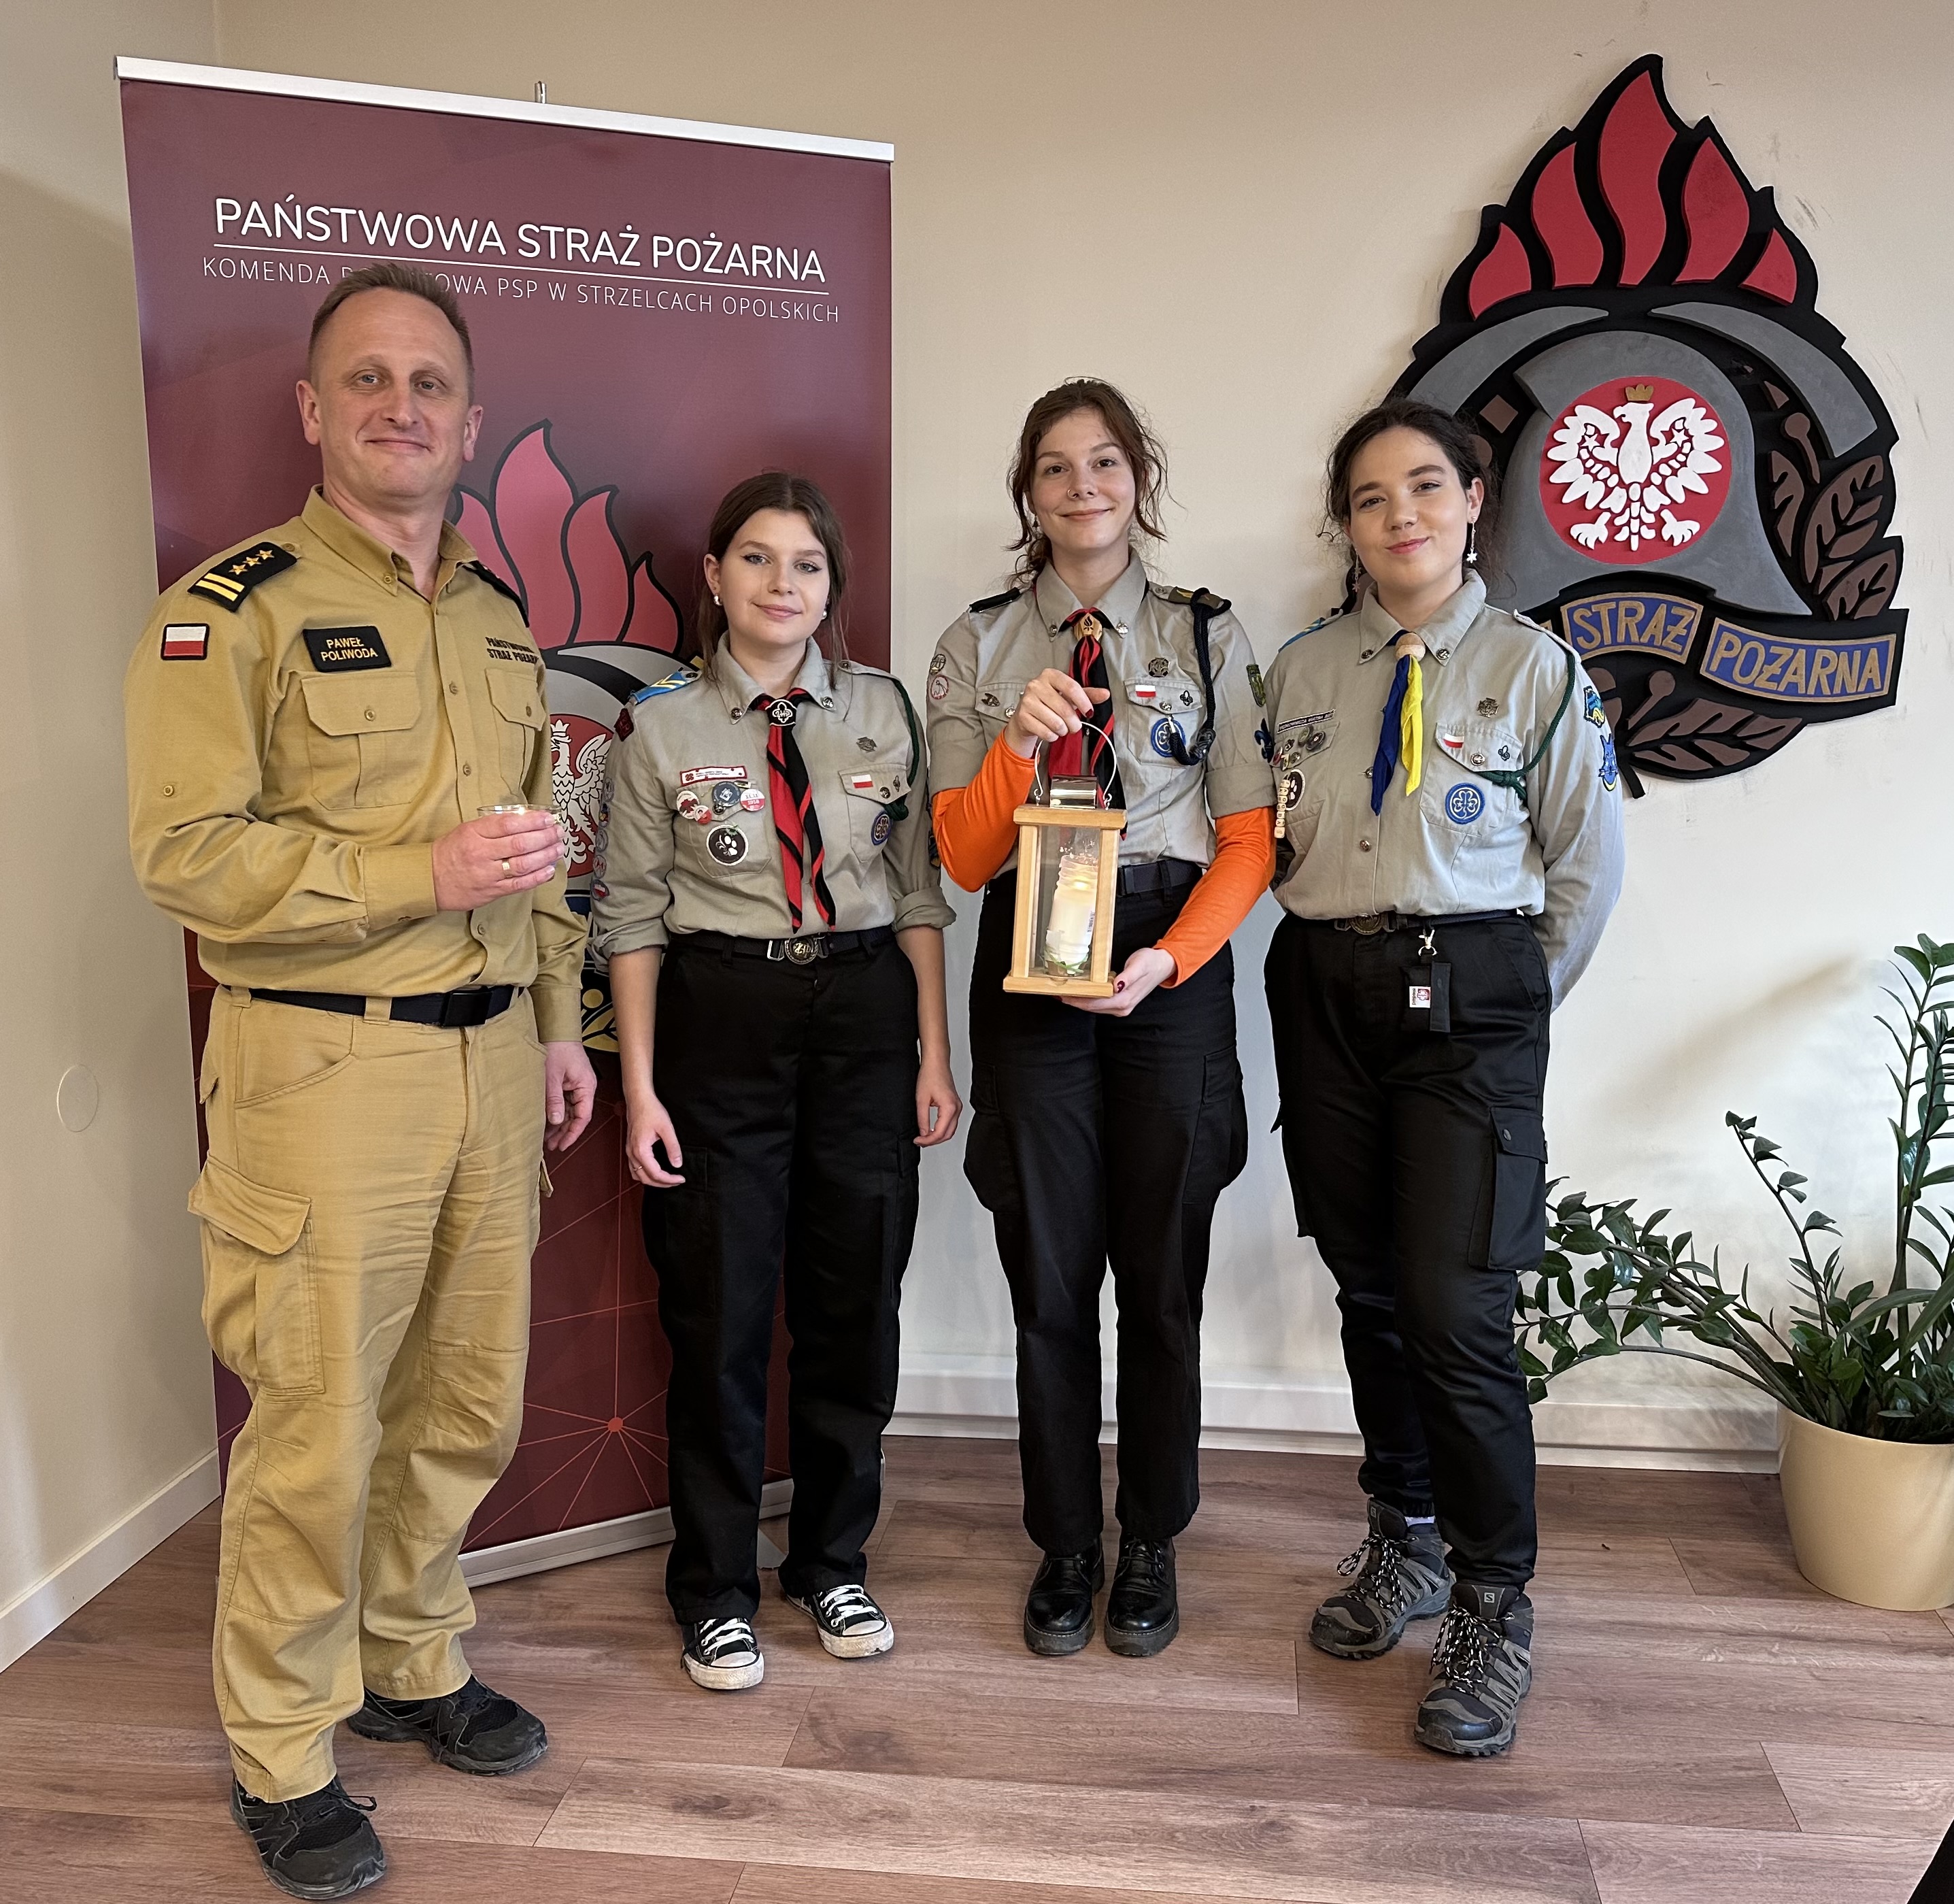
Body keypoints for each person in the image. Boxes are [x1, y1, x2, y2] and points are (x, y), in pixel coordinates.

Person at [124, 263, 598, 1897]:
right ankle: (283, 1743)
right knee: (319, 1422)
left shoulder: (498, 618)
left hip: (489, 1063)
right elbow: (185, 855)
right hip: (324, 1065)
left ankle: (412, 1652)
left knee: (465, 1401)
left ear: (470, 419)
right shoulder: (228, 609)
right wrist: (418, 872)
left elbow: (535, 849)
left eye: (431, 381)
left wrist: (557, 1019)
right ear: (312, 409)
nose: (404, 404)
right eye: (369, 378)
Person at [1262, 398, 1624, 1757]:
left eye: (1424, 485)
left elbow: (1585, 867)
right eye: (1369, 497)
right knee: (1368, 1286)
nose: (1398, 514)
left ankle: (1491, 1599)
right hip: (1324, 989)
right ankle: (1402, 1536)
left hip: (1470, 998)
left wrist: (1508, 1006)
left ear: (1473, 499)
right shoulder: (1300, 669)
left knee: (1456, 1306)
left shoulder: (1534, 667)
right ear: (1346, 525)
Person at [593, 472, 959, 1693]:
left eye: (806, 564)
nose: (780, 584)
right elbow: (630, 918)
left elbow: (917, 894)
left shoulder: (882, 709)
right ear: (714, 575)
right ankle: (713, 1588)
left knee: (855, 1308)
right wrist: (645, 1090)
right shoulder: (659, 728)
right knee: (720, 1315)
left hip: (863, 1018)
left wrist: (934, 1054)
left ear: (831, 585)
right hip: (721, 1019)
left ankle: (831, 1559)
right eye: (755, 558)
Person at [927, 379, 1275, 1660]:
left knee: (1163, 1279)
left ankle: (1153, 1538)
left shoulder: (1204, 633)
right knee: (1050, 1276)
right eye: (1056, 468)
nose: (1083, 487)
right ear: (1027, 493)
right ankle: (1066, 1542)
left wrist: (1167, 962)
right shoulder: (974, 645)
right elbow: (962, 858)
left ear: (1140, 479)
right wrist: (1015, 748)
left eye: (1106, 463)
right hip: (1032, 953)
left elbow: (1248, 839)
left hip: (1163, 964)